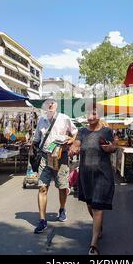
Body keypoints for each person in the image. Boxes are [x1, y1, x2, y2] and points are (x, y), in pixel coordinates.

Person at [69, 104, 117, 255]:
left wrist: (110, 148)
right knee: (90, 204)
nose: (91, 116)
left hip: (102, 174)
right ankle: (99, 227)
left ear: (99, 116)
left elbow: (114, 146)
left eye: (94, 113)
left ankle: (94, 244)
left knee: (97, 207)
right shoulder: (82, 132)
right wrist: (73, 149)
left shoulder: (107, 131)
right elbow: (76, 145)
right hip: (86, 175)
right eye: (89, 113)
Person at [33, 99, 78, 234]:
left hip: (61, 157)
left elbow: (75, 132)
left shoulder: (64, 118)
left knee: (62, 187)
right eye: (48, 103)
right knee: (42, 188)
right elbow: (36, 140)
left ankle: (62, 208)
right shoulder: (41, 120)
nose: (50, 105)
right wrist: (32, 156)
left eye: (52, 102)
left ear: (56, 105)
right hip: (44, 157)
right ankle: (42, 220)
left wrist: (71, 140)